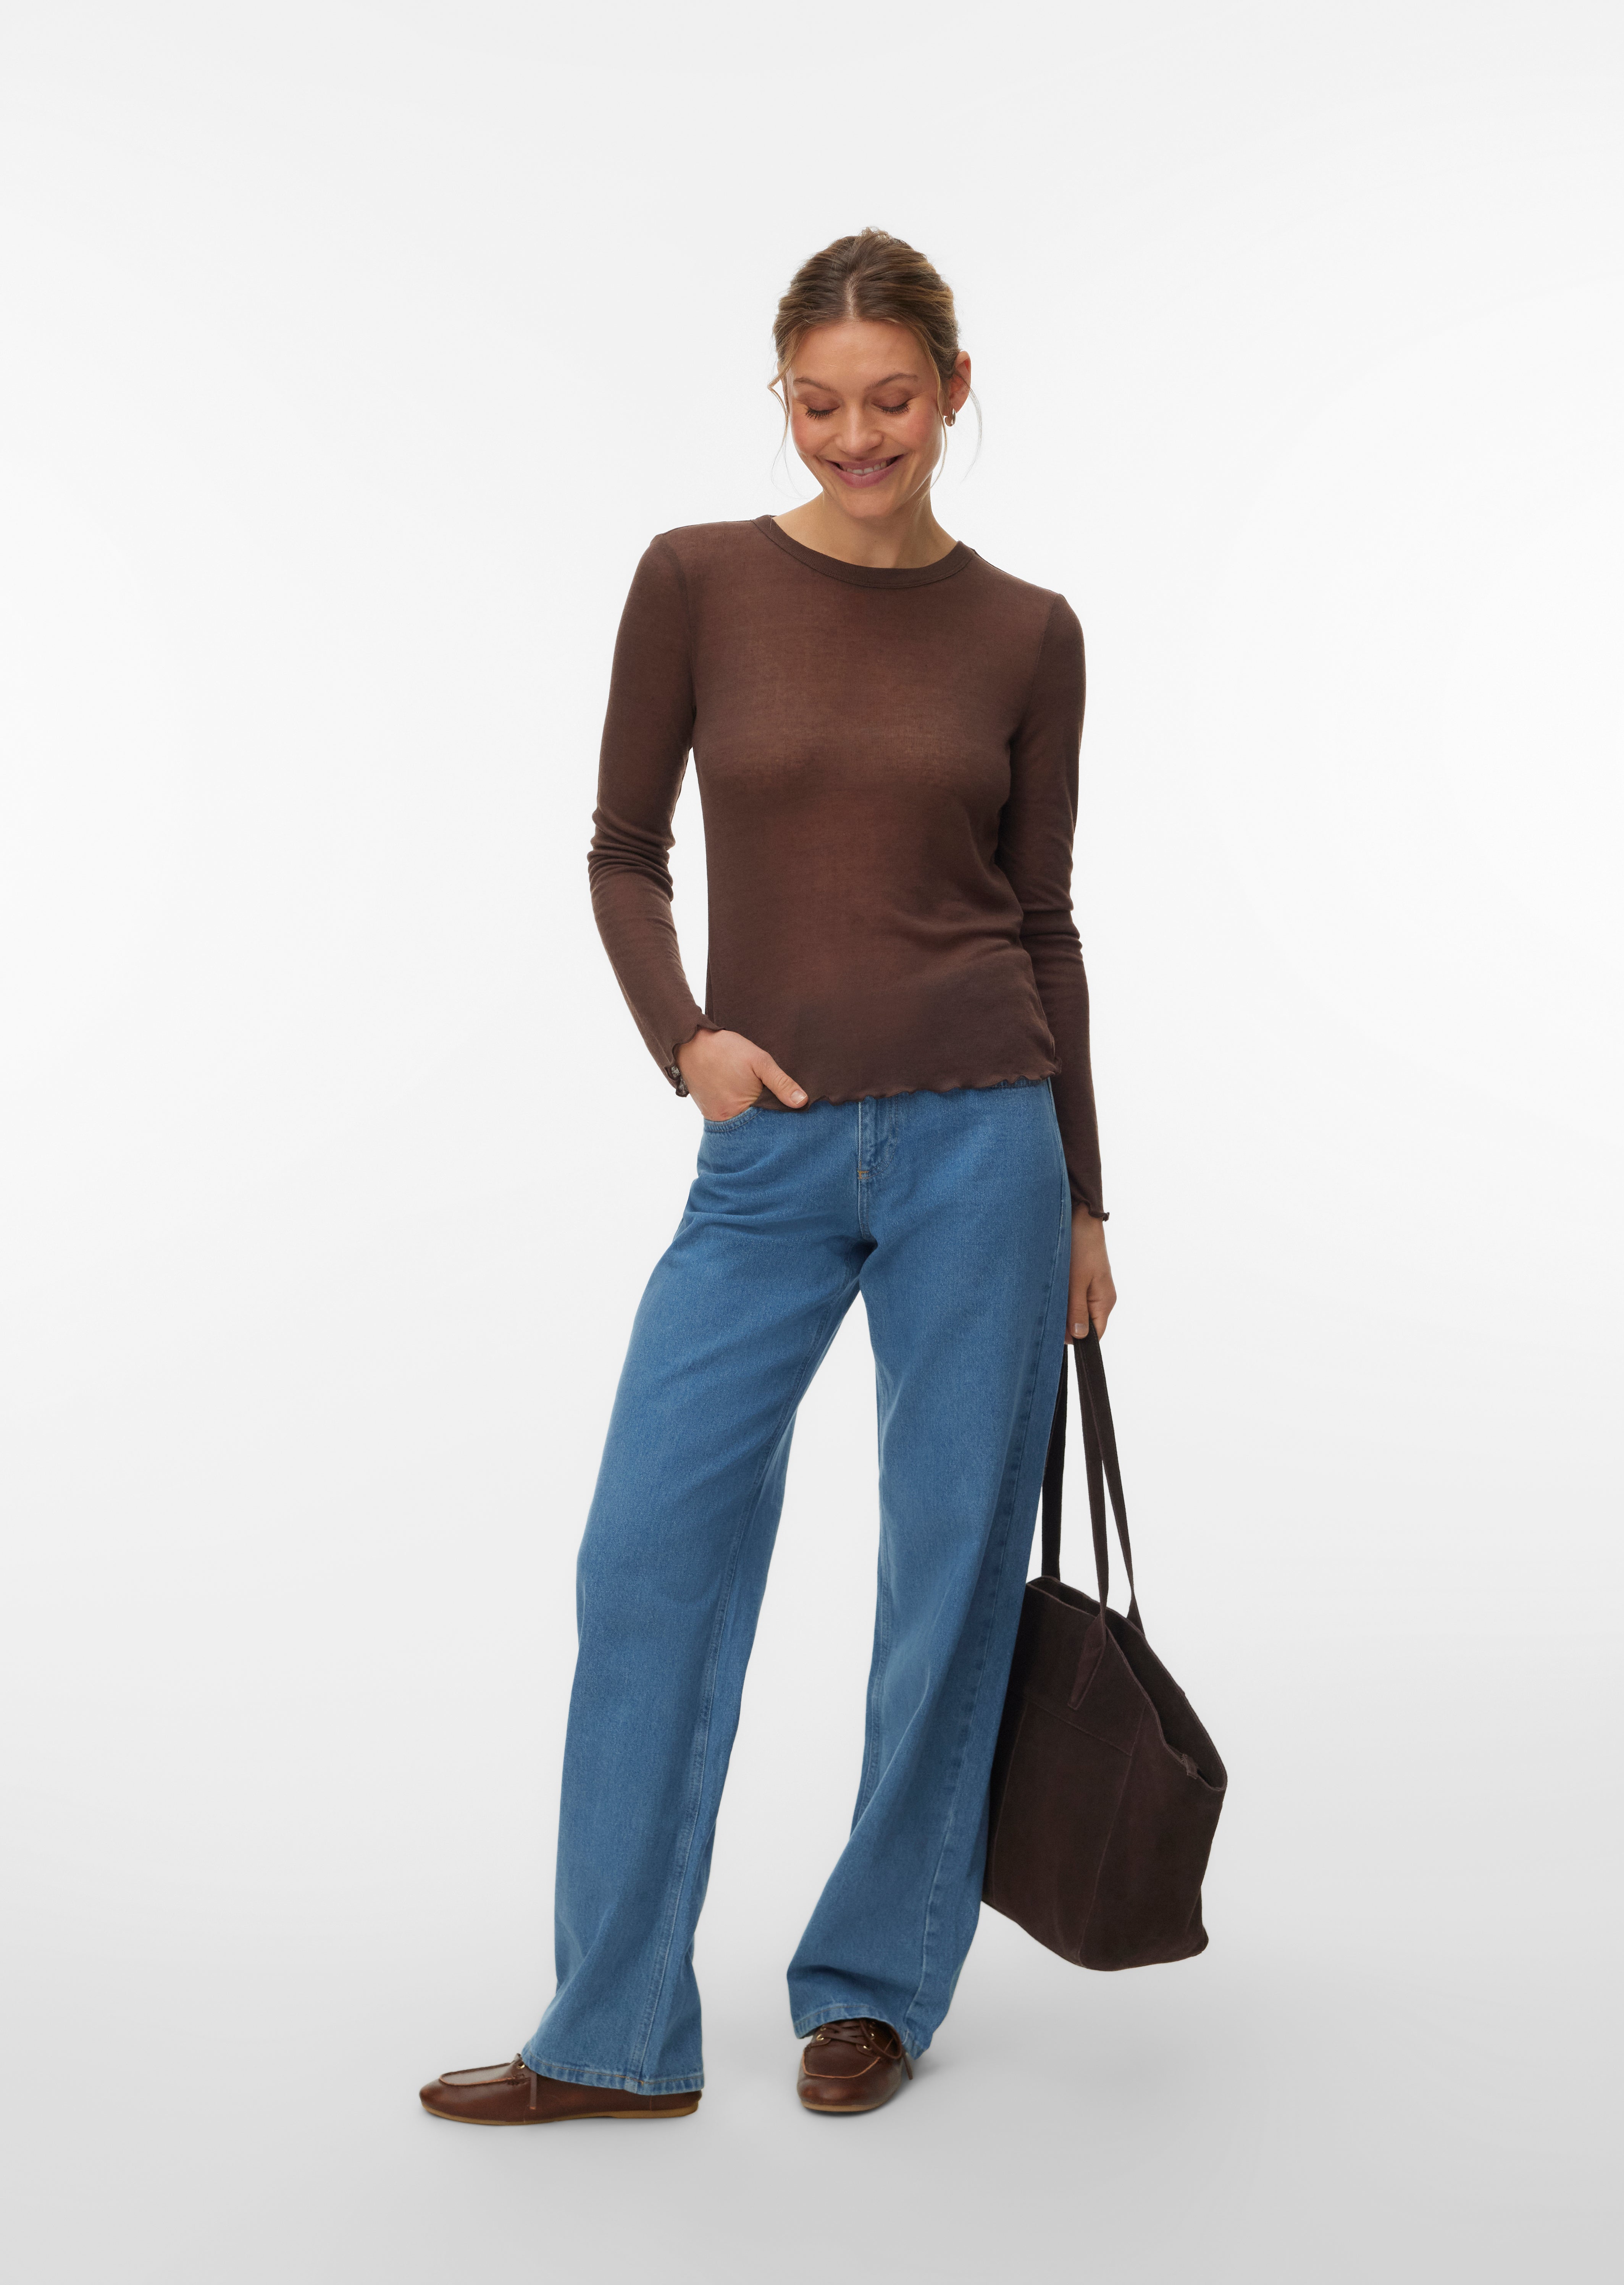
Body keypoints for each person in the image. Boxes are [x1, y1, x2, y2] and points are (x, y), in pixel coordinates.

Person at [420, 228, 1115, 2126]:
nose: (855, 436)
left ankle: (874, 1985)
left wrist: (1085, 1195)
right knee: (648, 1549)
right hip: (770, 1147)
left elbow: (1046, 920)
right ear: (783, 397)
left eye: (892, 399)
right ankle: (612, 2028)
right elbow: (621, 849)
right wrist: (690, 1044)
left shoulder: (1030, 630)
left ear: (955, 390)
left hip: (987, 1134)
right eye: (818, 403)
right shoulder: (698, 580)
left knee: (949, 1574)